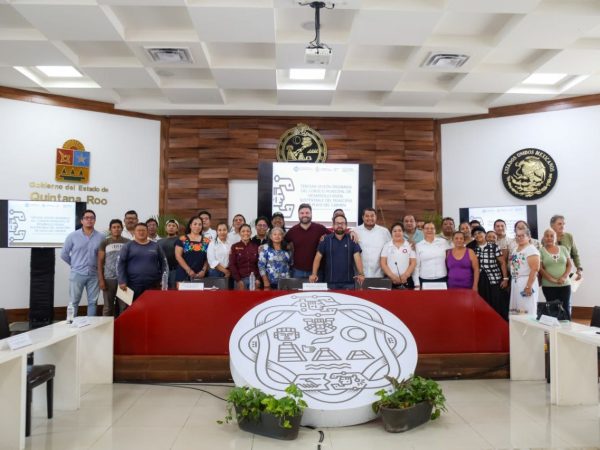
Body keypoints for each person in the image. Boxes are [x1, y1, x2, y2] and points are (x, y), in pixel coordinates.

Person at [60, 209, 105, 316]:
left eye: (92, 218)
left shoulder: (101, 237)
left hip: (94, 274)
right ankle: (71, 323)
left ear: (95, 220)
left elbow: (103, 256)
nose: (89, 220)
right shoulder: (73, 236)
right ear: (82, 221)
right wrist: (74, 265)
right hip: (77, 274)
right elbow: (64, 254)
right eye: (86, 218)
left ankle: (91, 325)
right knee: (73, 302)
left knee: (93, 302)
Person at [309, 215, 364, 289]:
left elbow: (357, 257)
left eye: (342, 223)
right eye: (337, 223)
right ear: (333, 225)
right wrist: (314, 274)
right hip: (330, 283)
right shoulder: (326, 240)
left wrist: (361, 274)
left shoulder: (352, 239)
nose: (340, 225)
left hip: (349, 283)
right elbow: (318, 257)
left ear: (346, 225)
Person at [117, 223, 168, 301]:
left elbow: (164, 263)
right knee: (134, 307)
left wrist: (164, 280)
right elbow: (120, 264)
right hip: (132, 285)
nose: (141, 232)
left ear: (147, 232)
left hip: (153, 284)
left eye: (143, 230)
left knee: (152, 306)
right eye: (139, 230)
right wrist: (122, 280)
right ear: (134, 232)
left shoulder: (156, 246)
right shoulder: (127, 246)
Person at [471, 227, 509, 319]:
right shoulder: (473, 249)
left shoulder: (494, 246)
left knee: (496, 302)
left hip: (494, 278)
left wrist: (505, 278)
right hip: (481, 280)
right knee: (483, 302)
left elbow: (502, 262)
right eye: (475, 234)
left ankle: (499, 322)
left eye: (479, 233)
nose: (477, 235)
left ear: (485, 234)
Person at [285, 203, 329, 278]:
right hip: (298, 271)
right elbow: (281, 243)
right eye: (302, 213)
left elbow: (334, 236)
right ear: (298, 215)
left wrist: (351, 232)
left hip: (317, 271)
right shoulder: (292, 231)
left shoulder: (320, 228)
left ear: (311, 214)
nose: (304, 215)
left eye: (307, 213)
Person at [97, 219, 129, 317]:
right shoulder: (105, 242)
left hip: (124, 279)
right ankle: (106, 326)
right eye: (114, 227)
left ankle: (123, 326)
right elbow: (100, 262)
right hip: (108, 279)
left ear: (122, 228)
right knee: (108, 307)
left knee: (124, 307)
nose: (116, 229)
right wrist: (101, 280)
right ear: (110, 229)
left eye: (118, 227)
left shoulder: (128, 242)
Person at [539, 228, 572, 319]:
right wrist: (553, 280)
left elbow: (569, 265)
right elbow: (540, 268)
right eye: (547, 236)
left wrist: (564, 277)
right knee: (552, 310)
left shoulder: (563, 249)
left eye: (552, 236)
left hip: (565, 284)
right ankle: (554, 328)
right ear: (544, 238)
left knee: (565, 308)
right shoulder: (541, 251)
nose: (549, 238)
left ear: (556, 238)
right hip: (548, 286)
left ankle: (567, 328)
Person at [509, 228, 540, 316]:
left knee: (527, 310)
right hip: (516, 282)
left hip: (526, 282)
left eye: (522, 236)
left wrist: (528, 286)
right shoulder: (515, 249)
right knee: (517, 310)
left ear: (529, 237)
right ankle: (518, 325)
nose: (519, 238)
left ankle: (528, 326)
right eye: (517, 236)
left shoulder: (531, 250)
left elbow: (535, 269)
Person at [355, 208, 391, 278]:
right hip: (359, 275)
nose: (370, 218)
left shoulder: (384, 232)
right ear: (363, 217)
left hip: (379, 274)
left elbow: (390, 250)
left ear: (376, 217)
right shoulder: (355, 231)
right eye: (367, 216)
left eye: (372, 216)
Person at [380, 222, 417, 289]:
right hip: (390, 280)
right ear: (391, 233)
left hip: (406, 280)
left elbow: (413, 262)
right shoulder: (386, 246)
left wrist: (405, 275)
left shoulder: (409, 245)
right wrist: (392, 276)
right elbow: (383, 263)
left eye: (400, 231)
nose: (397, 233)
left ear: (403, 232)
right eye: (395, 231)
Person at [415, 222, 450, 287]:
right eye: (427, 228)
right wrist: (416, 283)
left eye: (432, 228)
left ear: (435, 230)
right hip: (425, 279)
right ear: (423, 230)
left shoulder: (443, 242)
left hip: (442, 278)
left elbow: (451, 257)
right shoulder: (418, 245)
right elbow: (416, 266)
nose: (429, 230)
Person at [175, 216, 210, 282]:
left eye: (200, 224)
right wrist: (188, 270)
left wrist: (203, 270)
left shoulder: (207, 241)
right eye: (195, 224)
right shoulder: (182, 239)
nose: (197, 226)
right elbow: (178, 256)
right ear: (190, 226)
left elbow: (208, 258)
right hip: (183, 274)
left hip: (201, 275)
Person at [550, 215, 582, 281]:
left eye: (563, 224)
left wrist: (579, 269)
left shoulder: (569, 236)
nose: (562, 226)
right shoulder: (546, 238)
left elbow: (575, 255)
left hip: (567, 273)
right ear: (552, 225)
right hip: (551, 275)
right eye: (559, 224)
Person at [229, 224, 260, 290]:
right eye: (243, 231)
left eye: (248, 231)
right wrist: (238, 280)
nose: (245, 233)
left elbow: (259, 264)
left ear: (251, 233)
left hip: (254, 280)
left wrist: (258, 279)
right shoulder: (234, 246)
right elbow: (232, 265)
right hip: (240, 280)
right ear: (239, 233)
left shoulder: (255, 247)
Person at [158, 219, 180, 288]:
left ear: (177, 229)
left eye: (173, 226)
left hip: (175, 271)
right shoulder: (159, 241)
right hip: (162, 271)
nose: (171, 227)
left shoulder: (181, 240)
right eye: (169, 225)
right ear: (165, 228)